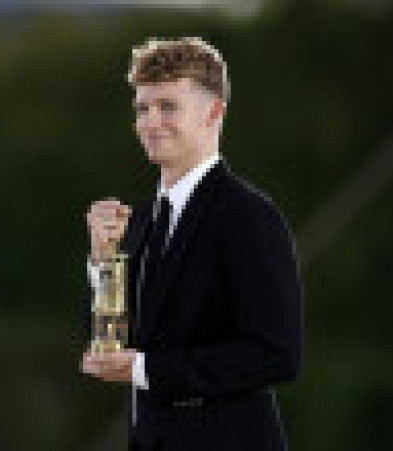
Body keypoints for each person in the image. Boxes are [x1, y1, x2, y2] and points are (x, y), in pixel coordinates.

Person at [80, 37, 303, 451]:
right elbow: (127, 337)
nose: (150, 122)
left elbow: (277, 355)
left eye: (168, 106)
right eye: (143, 108)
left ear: (213, 113)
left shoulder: (250, 216)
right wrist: (102, 260)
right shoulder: (143, 216)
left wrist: (146, 369)